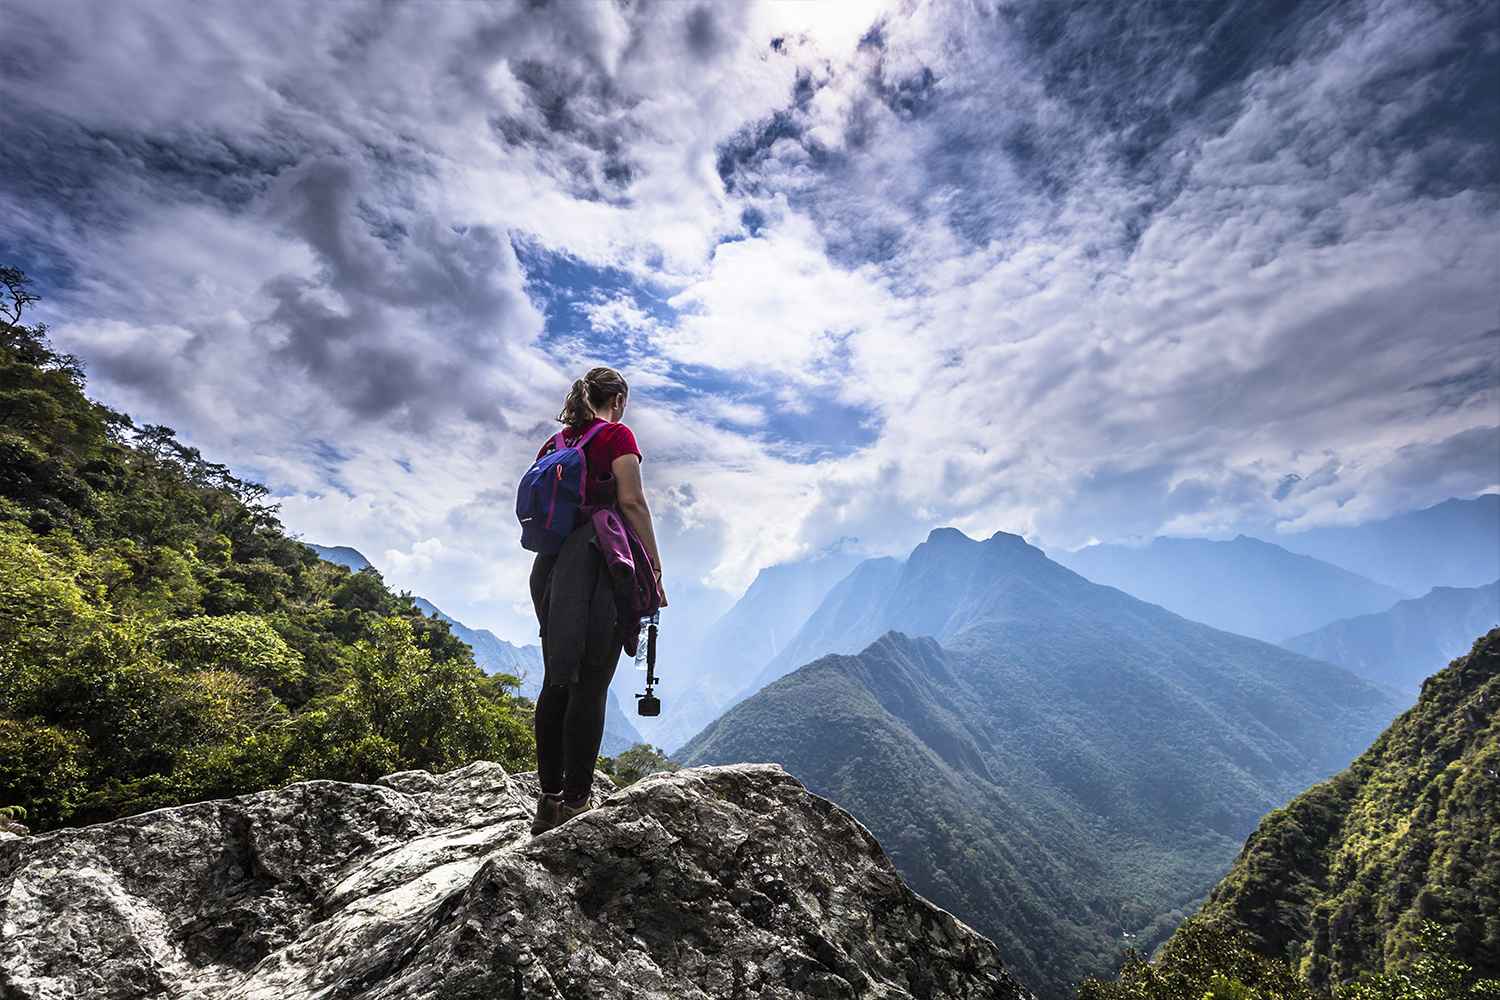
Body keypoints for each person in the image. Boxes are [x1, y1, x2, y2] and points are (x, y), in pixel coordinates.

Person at [528, 366, 666, 836]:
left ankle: (547, 802)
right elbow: (631, 501)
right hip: (596, 567)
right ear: (619, 400)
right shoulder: (617, 436)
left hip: (549, 572)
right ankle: (576, 803)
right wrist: (654, 562)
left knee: (556, 681)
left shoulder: (557, 445)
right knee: (591, 683)